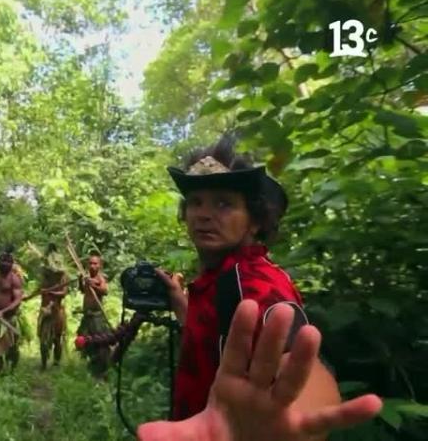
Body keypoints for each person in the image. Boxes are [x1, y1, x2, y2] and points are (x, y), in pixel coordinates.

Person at [136, 134, 382, 440]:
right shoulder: (217, 279)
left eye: (223, 203)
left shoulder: (254, 282)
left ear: (254, 221)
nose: (204, 213)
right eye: (196, 202)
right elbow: (219, 339)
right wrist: (181, 304)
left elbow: (301, 364)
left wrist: (294, 418)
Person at [75, 252, 110, 380]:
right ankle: (90, 367)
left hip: (97, 317)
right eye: (90, 263)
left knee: (99, 343)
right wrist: (81, 281)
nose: (92, 266)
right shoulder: (87, 277)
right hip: (87, 316)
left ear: (99, 265)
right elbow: (83, 290)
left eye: (95, 263)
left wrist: (93, 284)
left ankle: (101, 371)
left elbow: (105, 291)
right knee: (82, 341)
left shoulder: (100, 278)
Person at [36, 243, 69, 370]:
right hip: (44, 309)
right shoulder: (45, 276)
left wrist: (51, 292)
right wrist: (28, 297)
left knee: (57, 338)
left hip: (57, 310)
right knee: (42, 337)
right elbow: (39, 288)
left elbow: (64, 292)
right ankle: (43, 363)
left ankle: (56, 362)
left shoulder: (63, 276)